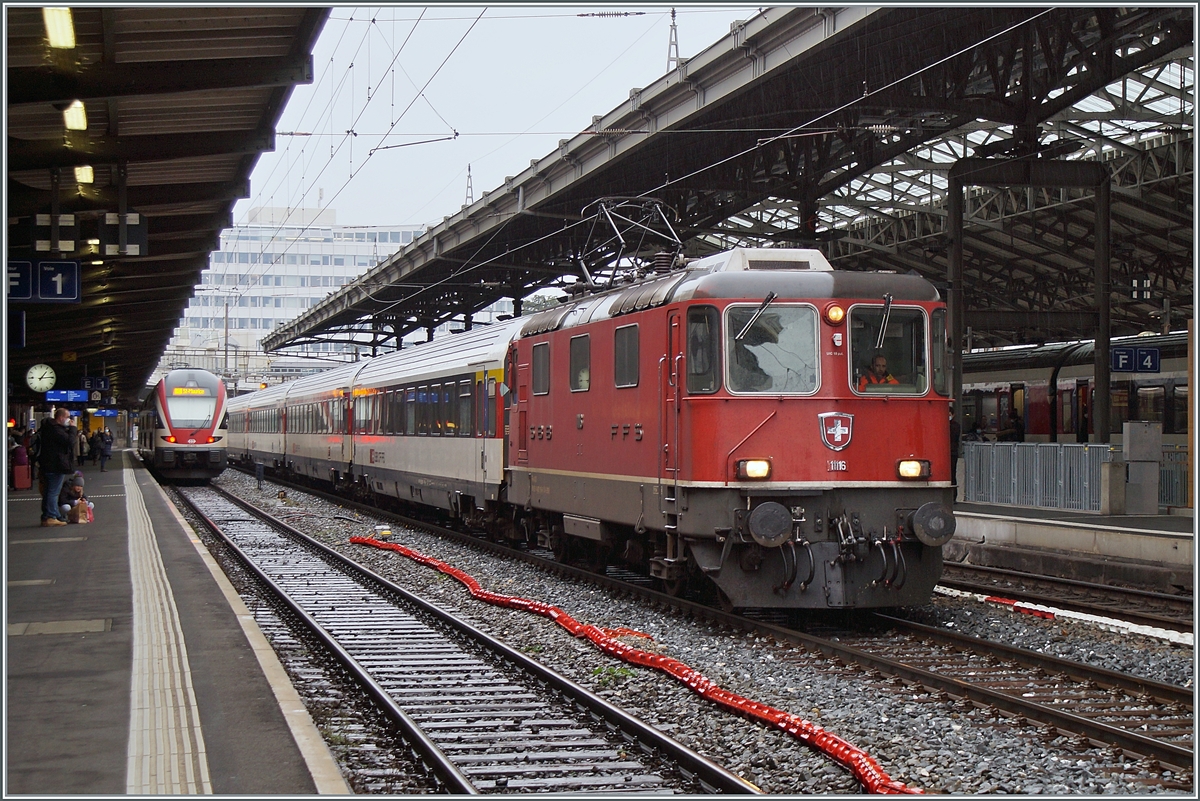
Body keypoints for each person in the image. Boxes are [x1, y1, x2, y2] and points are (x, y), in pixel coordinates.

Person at [37, 408, 74, 526]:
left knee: (49, 491)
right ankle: (51, 516)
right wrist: (73, 429)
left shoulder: (49, 428)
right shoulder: (55, 430)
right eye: (68, 417)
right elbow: (69, 442)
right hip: (55, 464)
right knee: (53, 492)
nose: (69, 420)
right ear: (61, 417)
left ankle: (51, 515)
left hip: (49, 464)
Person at [949, 407, 961, 485]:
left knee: (952, 472)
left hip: (952, 452)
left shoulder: (955, 426)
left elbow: (954, 436)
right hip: (946, 452)